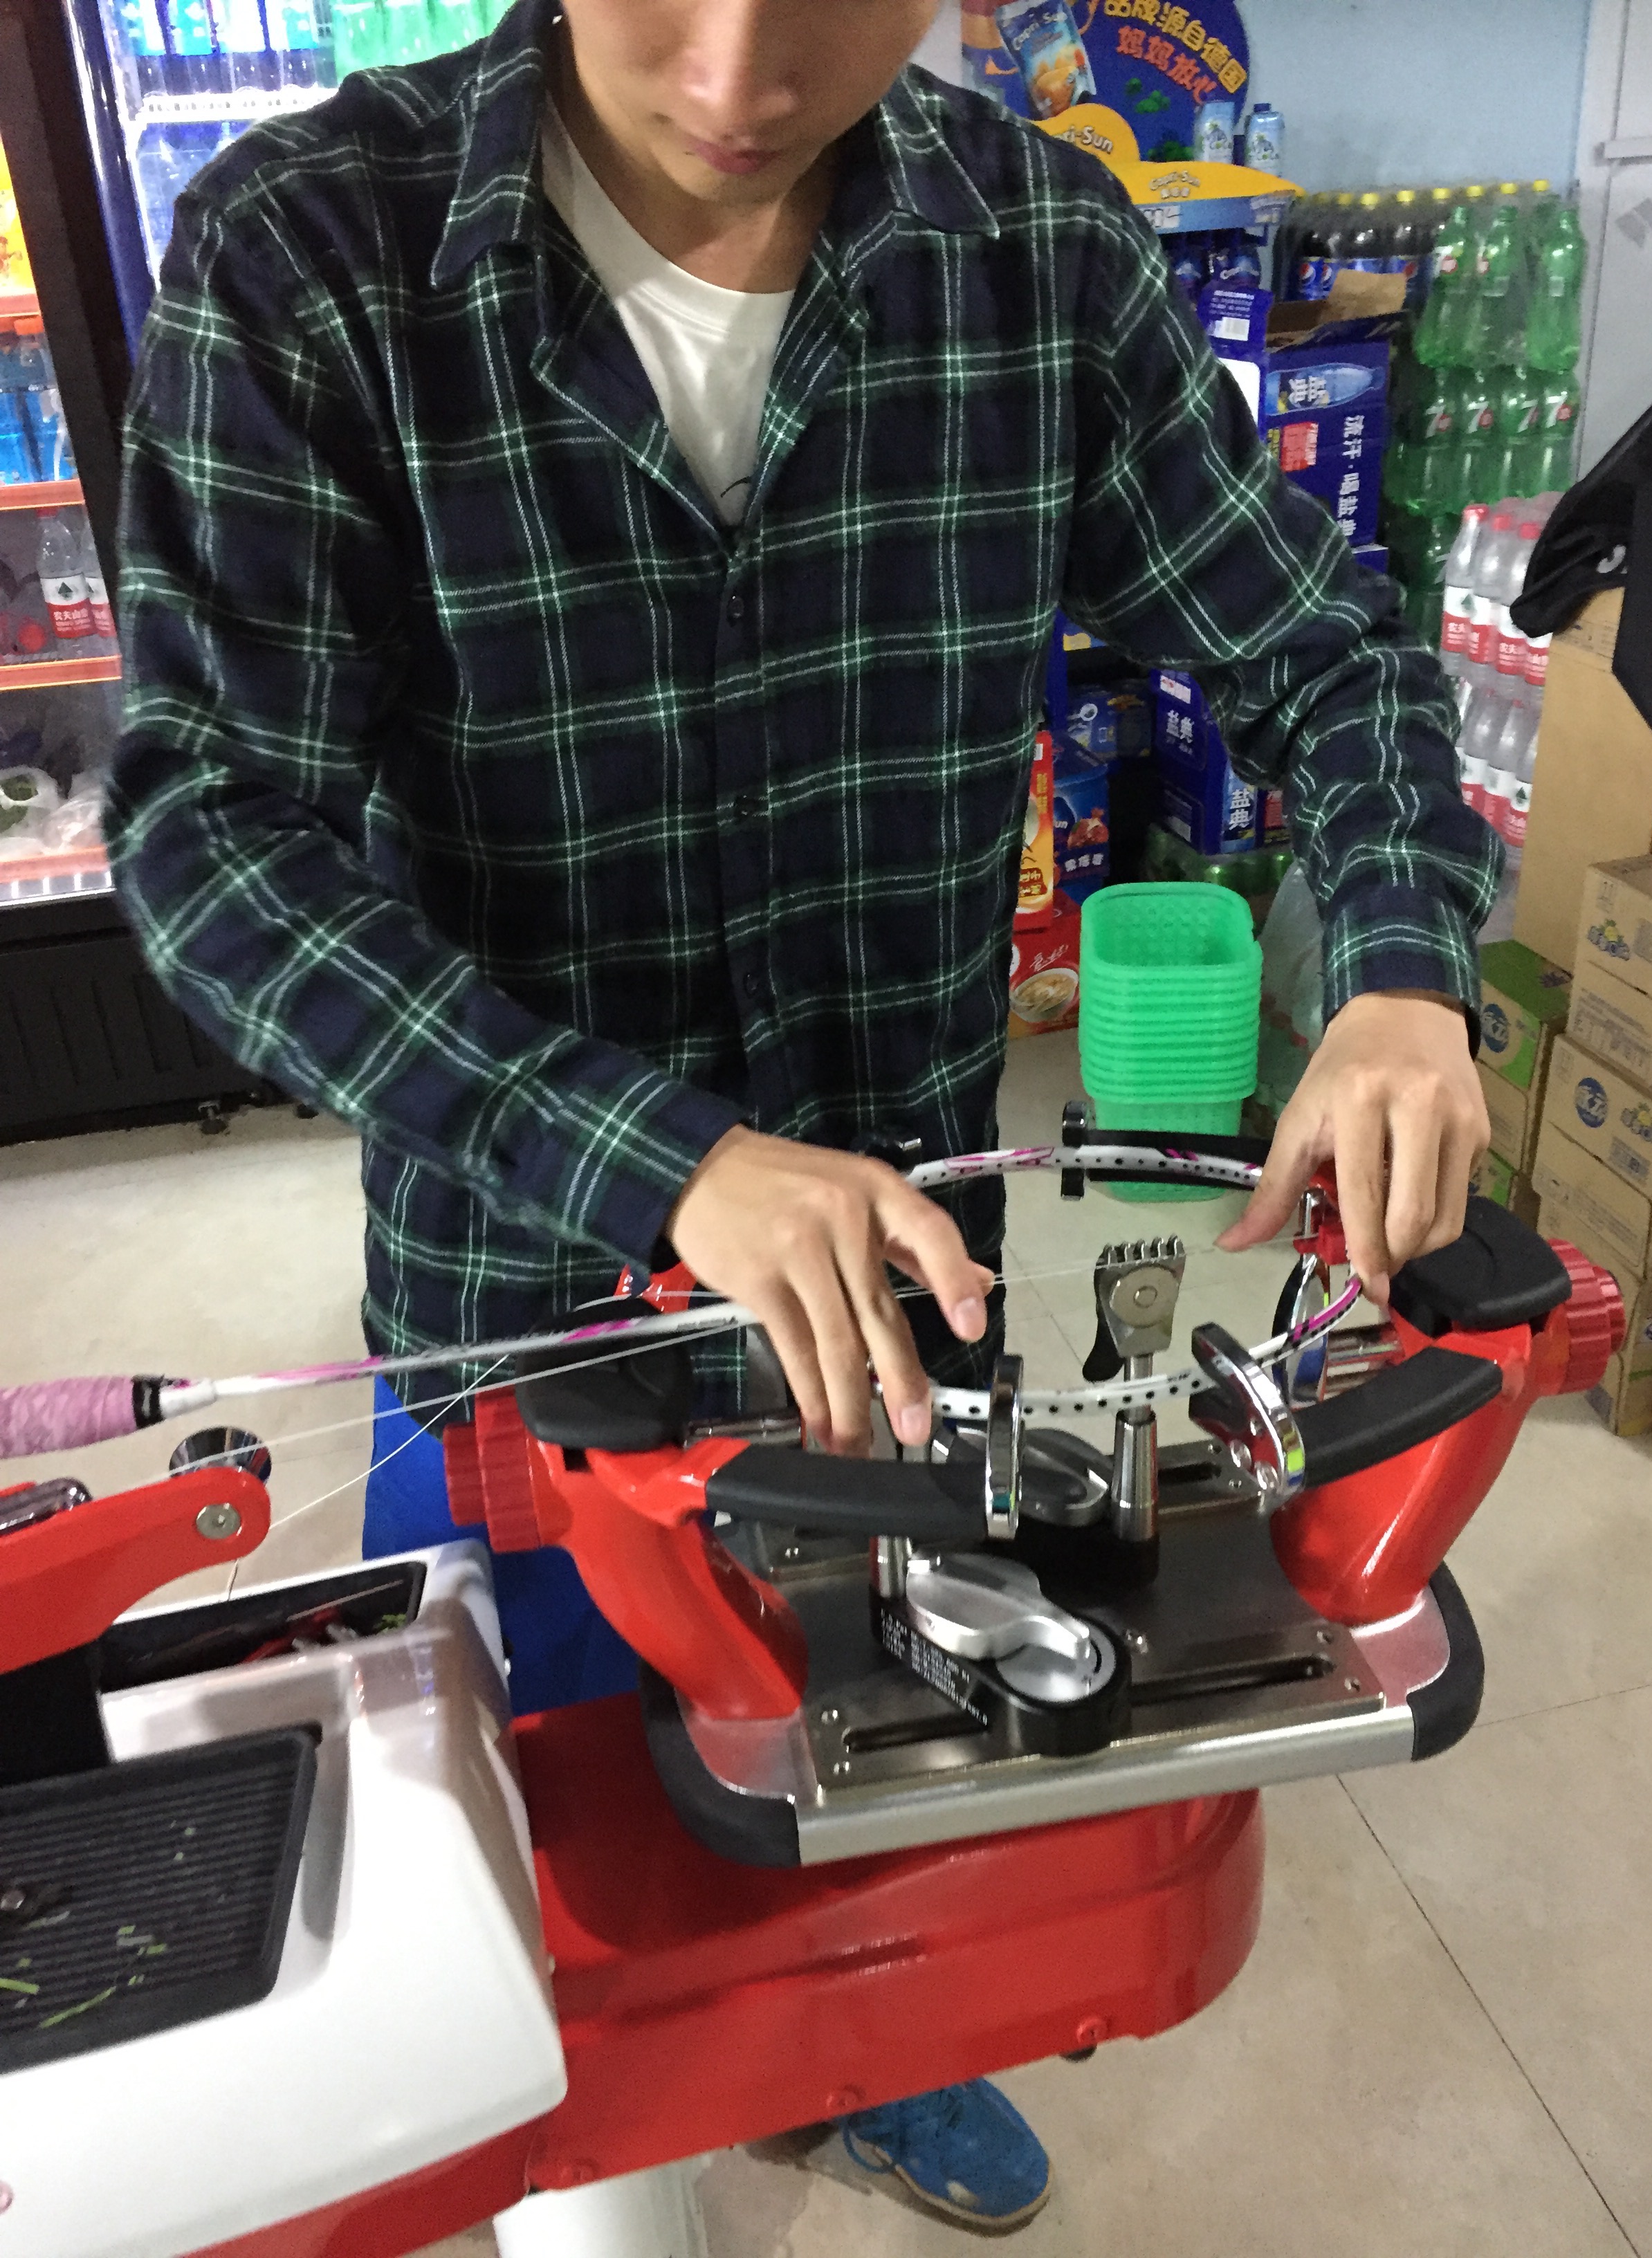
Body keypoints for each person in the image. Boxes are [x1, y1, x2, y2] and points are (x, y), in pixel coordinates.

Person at [109, 0, 1499, 2237]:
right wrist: (653, 1151)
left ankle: (868, 2053)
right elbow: (210, 840)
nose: (742, 71)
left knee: (894, 1801)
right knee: (584, 2004)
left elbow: (1325, 646)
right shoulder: (308, 257)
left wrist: (1412, 969)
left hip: (907, 1334)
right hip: (533, 1336)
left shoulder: (1041, 252)